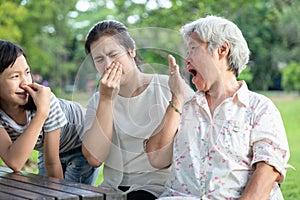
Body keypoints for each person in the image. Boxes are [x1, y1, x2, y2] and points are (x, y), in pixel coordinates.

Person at [145, 15, 291, 199]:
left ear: (222, 50)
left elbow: (268, 170)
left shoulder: (259, 108)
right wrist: (176, 99)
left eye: (193, 50)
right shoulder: (184, 107)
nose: (187, 59)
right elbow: (157, 159)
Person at [81, 20, 194, 199]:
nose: (108, 64)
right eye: (99, 59)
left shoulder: (167, 87)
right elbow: (95, 158)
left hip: (158, 189)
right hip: (112, 189)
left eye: (113, 54)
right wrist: (106, 99)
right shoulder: (98, 100)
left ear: (131, 51)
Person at [0, 40, 99, 185]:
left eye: (27, 73)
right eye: (15, 76)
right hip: (49, 145)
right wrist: (42, 114)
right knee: (45, 189)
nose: (25, 83)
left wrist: (42, 111)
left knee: (72, 193)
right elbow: (14, 161)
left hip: (81, 143)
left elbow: (52, 163)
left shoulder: (46, 102)